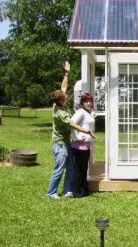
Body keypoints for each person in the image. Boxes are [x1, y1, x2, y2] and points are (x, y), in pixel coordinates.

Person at [47, 61, 93, 199]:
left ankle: (68, 190)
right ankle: (51, 192)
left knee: (71, 168)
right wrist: (86, 131)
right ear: (61, 101)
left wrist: (66, 73)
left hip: (66, 143)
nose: (66, 96)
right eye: (64, 97)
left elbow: (64, 87)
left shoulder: (59, 104)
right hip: (59, 144)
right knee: (59, 169)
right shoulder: (59, 113)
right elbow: (72, 124)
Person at [70, 92, 96, 198]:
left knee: (84, 168)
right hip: (78, 146)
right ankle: (77, 191)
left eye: (90, 101)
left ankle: (84, 190)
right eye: (86, 101)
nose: (88, 103)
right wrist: (77, 137)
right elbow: (71, 123)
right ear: (82, 102)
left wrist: (92, 114)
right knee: (79, 169)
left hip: (86, 145)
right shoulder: (80, 112)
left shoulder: (87, 112)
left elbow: (86, 123)